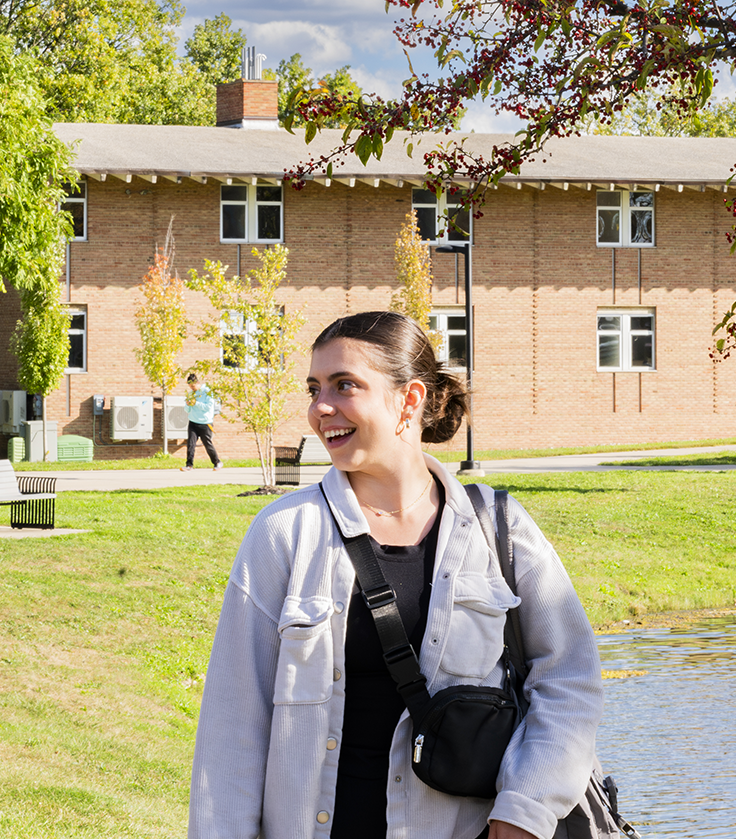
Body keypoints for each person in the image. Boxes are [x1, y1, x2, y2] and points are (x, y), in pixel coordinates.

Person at [189, 311, 603, 839]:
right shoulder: (284, 534)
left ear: (409, 400)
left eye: (345, 385)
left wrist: (525, 810)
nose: (320, 408)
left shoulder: (499, 529)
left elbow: (570, 679)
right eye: (314, 387)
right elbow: (233, 728)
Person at [185, 371, 223, 471]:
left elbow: (208, 407)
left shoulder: (207, 392)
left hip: (205, 423)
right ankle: (189, 465)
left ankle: (217, 462)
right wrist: (188, 405)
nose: (192, 389)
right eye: (190, 387)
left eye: (193, 386)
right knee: (190, 444)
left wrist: (195, 403)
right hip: (193, 422)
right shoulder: (191, 394)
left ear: (197, 383)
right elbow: (187, 409)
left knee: (207, 444)